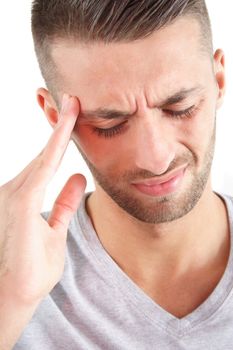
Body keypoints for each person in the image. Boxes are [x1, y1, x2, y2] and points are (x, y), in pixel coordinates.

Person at [0, 0, 231, 349]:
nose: (156, 158)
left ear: (218, 80)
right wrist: (9, 301)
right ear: (54, 114)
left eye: (179, 107)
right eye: (110, 124)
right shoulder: (12, 272)